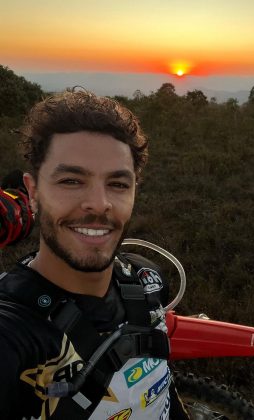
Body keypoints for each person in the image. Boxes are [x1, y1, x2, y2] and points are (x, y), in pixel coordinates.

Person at [0, 89, 189, 419]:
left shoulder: (147, 281)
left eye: (118, 184)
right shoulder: (13, 333)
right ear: (33, 193)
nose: (100, 203)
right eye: (72, 180)